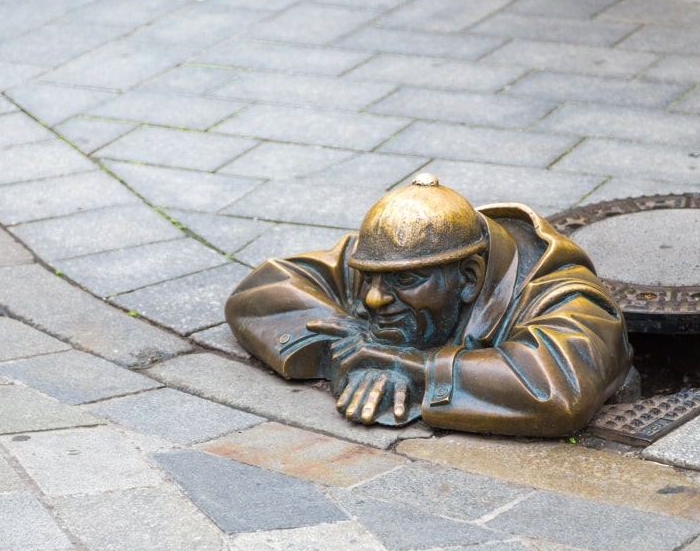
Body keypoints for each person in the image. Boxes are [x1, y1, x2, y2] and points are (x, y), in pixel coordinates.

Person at [225, 173, 635, 437]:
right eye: (369, 278)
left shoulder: (564, 295)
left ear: (469, 279)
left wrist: (416, 368)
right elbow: (260, 290)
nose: (373, 298)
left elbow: (559, 388)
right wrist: (344, 346)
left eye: (406, 282)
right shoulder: (385, 265)